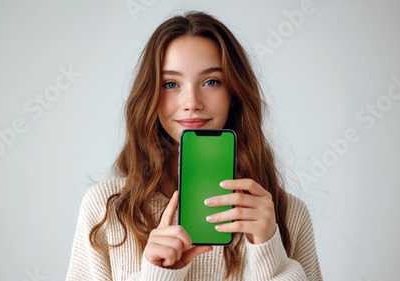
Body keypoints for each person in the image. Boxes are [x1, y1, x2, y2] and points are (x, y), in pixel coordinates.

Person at [66, 11, 323, 281]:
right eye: (171, 84)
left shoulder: (287, 213)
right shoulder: (107, 209)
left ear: (233, 93)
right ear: (150, 94)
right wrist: (157, 275)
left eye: (211, 81)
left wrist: (269, 252)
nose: (191, 102)